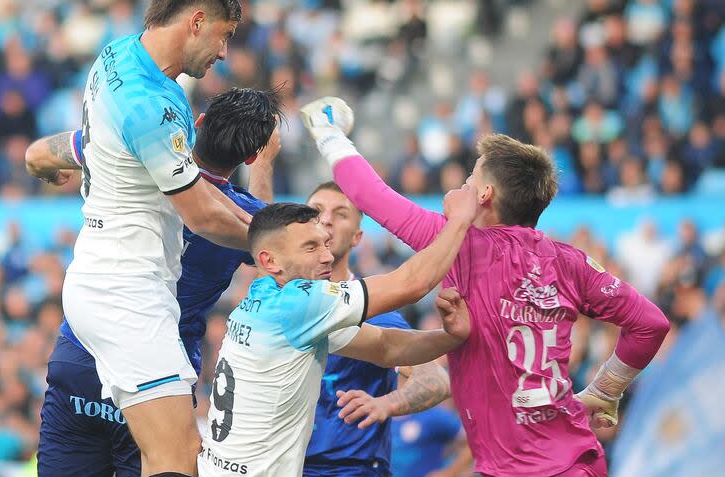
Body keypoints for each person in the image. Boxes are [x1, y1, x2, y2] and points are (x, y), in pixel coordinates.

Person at [300, 97, 671, 477]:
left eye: (469, 179)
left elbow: (370, 195)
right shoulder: (571, 262)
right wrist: (606, 389)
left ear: (484, 196)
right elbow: (650, 323)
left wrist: (329, 134)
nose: (461, 185)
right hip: (574, 461)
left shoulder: (458, 244)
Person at [25, 87, 282, 476]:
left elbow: (38, 153)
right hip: (160, 380)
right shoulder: (240, 219)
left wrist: (48, 168)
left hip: (81, 358)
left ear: (196, 124)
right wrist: (263, 166)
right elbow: (272, 246)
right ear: (248, 155)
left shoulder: (132, 156)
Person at [197, 187, 478, 477]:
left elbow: (385, 347)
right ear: (270, 261)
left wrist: (451, 337)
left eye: (325, 244)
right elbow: (413, 283)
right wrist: (460, 220)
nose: (326, 256)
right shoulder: (301, 305)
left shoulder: (265, 294)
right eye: (311, 247)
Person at [304, 182, 453, 477]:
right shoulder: (281, 303)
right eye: (316, 211)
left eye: (341, 214)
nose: (327, 219)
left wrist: (386, 404)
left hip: (350, 470)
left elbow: (437, 380)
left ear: (358, 237)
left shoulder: (375, 313)